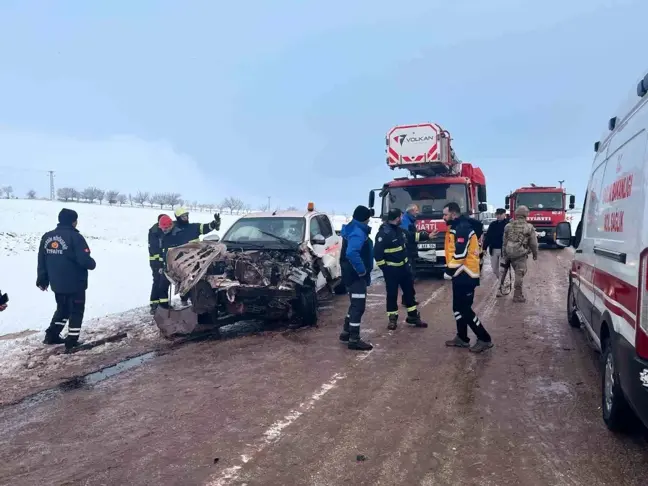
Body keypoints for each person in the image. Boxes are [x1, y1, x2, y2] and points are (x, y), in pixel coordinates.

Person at [37, 209, 97, 350]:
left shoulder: (47, 237)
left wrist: (42, 278)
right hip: (75, 283)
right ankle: (71, 341)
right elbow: (84, 260)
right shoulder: (75, 237)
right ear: (73, 221)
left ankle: (51, 335)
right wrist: (92, 263)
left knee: (63, 309)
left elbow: (42, 259)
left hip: (57, 283)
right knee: (76, 311)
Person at [442, 202, 493, 353]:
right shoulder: (456, 226)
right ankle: (462, 338)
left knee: (465, 309)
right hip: (460, 274)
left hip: (467, 274)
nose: (443, 217)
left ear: (453, 214)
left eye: (445, 214)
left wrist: (449, 271)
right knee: (457, 308)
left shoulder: (462, 228)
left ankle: (484, 339)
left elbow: (460, 254)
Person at [376, 208, 428, 330]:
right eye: (401, 216)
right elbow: (377, 255)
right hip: (392, 271)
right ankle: (392, 319)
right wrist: (386, 269)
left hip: (404, 269)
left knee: (409, 293)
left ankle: (413, 317)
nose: (402, 219)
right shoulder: (383, 234)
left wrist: (427, 236)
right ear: (397, 218)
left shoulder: (400, 230)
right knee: (392, 295)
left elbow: (412, 236)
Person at [338, 205, 374, 351]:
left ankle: (346, 332)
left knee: (354, 303)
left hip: (350, 274)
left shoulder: (352, 228)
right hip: (356, 276)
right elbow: (352, 253)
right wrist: (362, 271)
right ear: (365, 218)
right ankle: (354, 339)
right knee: (358, 306)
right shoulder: (358, 232)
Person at [168, 208, 221, 304]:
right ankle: (183, 299)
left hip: (196, 259)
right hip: (182, 260)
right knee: (184, 280)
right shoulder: (173, 230)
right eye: (183, 217)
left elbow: (206, 227)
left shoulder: (194, 227)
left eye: (186, 216)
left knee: (196, 280)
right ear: (178, 218)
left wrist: (214, 223)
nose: (186, 218)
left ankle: (195, 299)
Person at [399, 204, 435, 305]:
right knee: (409, 276)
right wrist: (426, 236)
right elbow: (409, 236)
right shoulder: (406, 222)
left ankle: (407, 298)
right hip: (407, 253)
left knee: (410, 276)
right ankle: (408, 300)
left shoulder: (409, 220)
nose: (418, 212)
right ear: (410, 211)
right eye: (416, 210)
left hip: (410, 252)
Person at [502, 205, 538, 303]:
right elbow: (533, 243)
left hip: (509, 253)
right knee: (519, 274)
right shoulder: (529, 227)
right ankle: (517, 296)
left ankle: (500, 290)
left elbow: (504, 242)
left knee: (504, 272)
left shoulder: (508, 226)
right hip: (520, 254)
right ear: (526, 215)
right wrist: (535, 254)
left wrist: (504, 254)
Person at [483, 208, 509, 294]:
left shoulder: (508, 225)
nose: (498, 216)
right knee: (494, 269)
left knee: (502, 270)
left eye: (500, 214)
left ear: (504, 214)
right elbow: (488, 237)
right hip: (493, 250)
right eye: (497, 214)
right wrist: (484, 248)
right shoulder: (493, 224)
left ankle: (500, 289)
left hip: (504, 251)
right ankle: (504, 283)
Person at [148, 214, 166, 314]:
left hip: (163, 261)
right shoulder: (154, 232)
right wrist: (159, 265)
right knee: (157, 281)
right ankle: (154, 304)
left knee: (163, 282)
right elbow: (155, 249)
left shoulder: (163, 230)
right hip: (155, 262)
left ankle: (163, 304)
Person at [156, 215, 175, 309]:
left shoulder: (177, 234)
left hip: (176, 267)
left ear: (171, 225)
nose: (164, 230)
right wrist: (160, 266)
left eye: (166, 228)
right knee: (162, 287)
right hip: (165, 267)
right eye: (163, 228)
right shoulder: (162, 237)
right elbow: (161, 253)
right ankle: (164, 306)